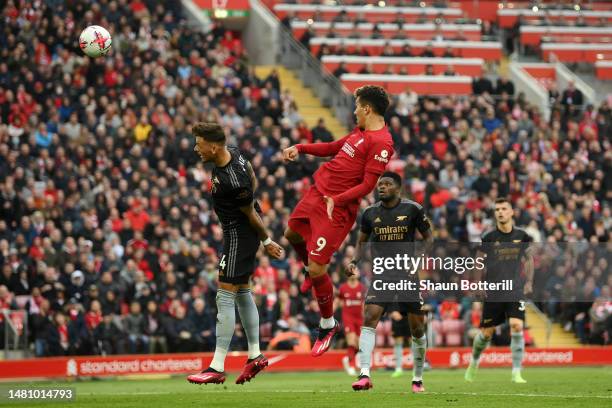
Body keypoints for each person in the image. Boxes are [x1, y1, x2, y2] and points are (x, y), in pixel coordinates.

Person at [282, 85, 394, 357]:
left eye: (357, 106)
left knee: (319, 268)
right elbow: (334, 147)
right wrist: (301, 147)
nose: (354, 110)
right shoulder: (360, 132)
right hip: (317, 194)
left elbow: (368, 185)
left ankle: (327, 324)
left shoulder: (382, 143)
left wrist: (338, 199)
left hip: (337, 209)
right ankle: (309, 270)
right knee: (291, 234)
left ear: (367, 109)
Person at [187, 122, 283, 385]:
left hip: (239, 234)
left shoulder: (231, 178)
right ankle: (255, 354)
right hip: (238, 233)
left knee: (224, 295)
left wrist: (267, 241)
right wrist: (250, 196)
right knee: (241, 291)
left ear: (214, 146)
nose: (196, 148)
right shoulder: (234, 152)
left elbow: (250, 212)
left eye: (199, 144)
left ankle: (217, 366)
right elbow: (251, 176)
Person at [349, 172, 433, 393]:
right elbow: (361, 241)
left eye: (387, 184)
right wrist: (354, 261)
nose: (381, 187)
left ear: (398, 188)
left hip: (407, 275)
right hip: (382, 274)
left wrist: (419, 260)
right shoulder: (369, 213)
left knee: (416, 328)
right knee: (369, 317)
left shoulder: (413, 209)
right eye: (380, 184)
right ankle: (364, 374)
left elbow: (429, 238)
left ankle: (417, 378)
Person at [464, 197, 534, 384]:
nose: (500, 212)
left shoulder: (522, 236)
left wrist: (528, 283)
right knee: (486, 334)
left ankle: (516, 372)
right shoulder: (489, 237)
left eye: (504, 208)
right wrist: (477, 284)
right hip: (494, 290)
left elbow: (529, 260)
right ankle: (474, 361)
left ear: (512, 212)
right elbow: (478, 261)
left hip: (515, 289)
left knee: (517, 326)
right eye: (497, 209)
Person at [337, 270, 364, 376]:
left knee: (359, 345)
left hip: (360, 318)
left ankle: (347, 359)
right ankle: (351, 366)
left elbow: (364, 302)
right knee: (351, 340)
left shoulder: (362, 287)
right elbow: (338, 301)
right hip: (348, 318)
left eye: (356, 271)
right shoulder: (343, 288)